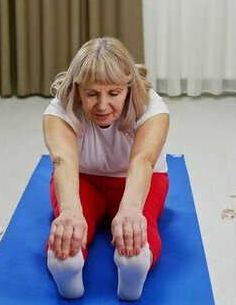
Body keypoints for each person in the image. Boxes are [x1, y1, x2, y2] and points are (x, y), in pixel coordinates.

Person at [42, 37, 170, 301]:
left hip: (137, 179)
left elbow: (143, 161)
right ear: (78, 90)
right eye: (91, 94)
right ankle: (65, 263)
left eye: (113, 93)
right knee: (70, 228)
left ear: (129, 87)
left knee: (139, 228)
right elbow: (63, 161)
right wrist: (70, 213)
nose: (102, 106)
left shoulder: (153, 107)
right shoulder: (59, 110)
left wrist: (131, 211)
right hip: (83, 179)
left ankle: (136, 264)